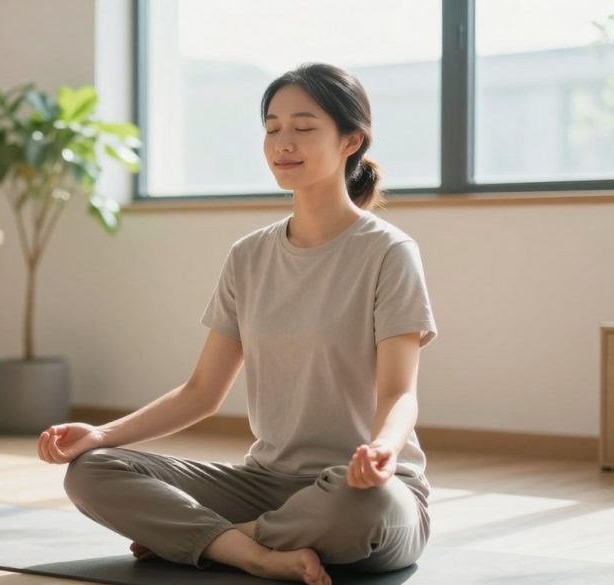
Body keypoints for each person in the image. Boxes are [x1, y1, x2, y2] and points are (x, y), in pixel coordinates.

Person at [36, 62, 437, 585]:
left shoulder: (389, 253)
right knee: (93, 471)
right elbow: (202, 391)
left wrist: (383, 449)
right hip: (267, 483)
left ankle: (213, 538)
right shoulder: (249, 256)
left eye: (304, 126)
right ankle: (252, 552)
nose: (282, 142)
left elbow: (400, 392)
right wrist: (100, 434)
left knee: (363, 506)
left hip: (368, 490)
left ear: (350, 141)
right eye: (272, 128)